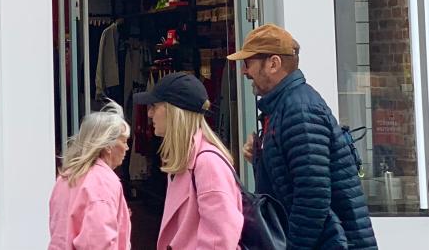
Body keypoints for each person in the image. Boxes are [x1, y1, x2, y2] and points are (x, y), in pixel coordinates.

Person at [229, 25, 377, 249]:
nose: (244, 72)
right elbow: (292, 182)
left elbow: (313, 196)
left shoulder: (299, 110)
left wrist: (293, 247)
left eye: (248, 63)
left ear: (273, 63)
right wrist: (260, 158)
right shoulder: (286, 106)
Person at [134, 71, 243, 250]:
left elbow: (220, 241)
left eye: (154, 106)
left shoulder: (207, 163)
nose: (149, 114)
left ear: (174, 110)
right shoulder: (186, 160)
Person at [48, 101, 132, 250]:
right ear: (108, 145)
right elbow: (98, 242)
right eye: (124, 141)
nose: (127, 147)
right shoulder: (103, 183)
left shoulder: (65, 178)